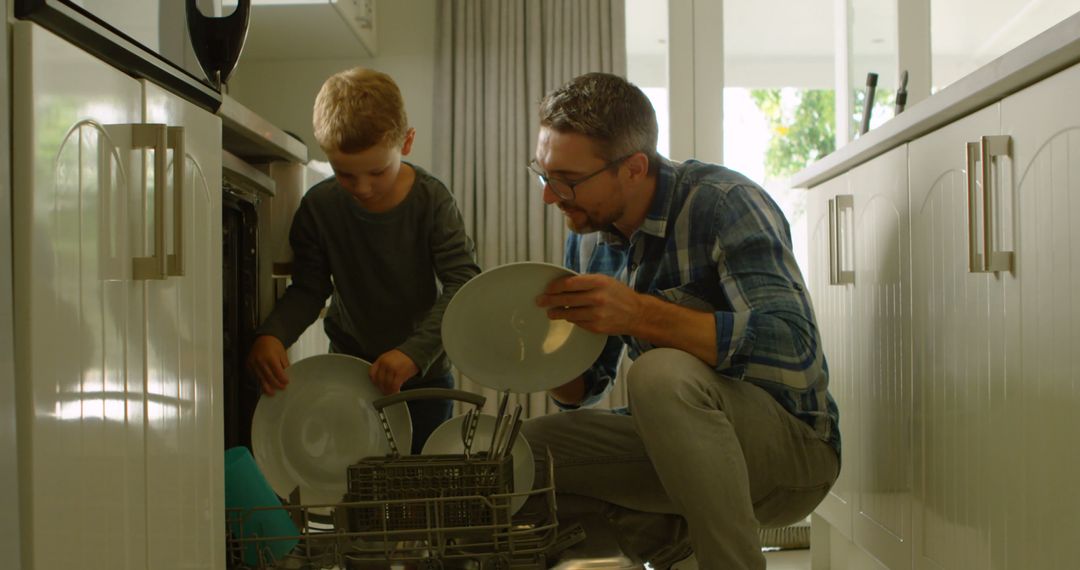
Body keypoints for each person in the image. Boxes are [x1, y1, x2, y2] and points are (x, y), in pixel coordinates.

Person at [522, 72, 840, 569]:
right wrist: (541, 352)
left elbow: (795, 350)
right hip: (679, 448)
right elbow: (586, 388)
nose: (550, 196)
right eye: (543, 174)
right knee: (523, 455)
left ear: (633, 168)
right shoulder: (588, 234)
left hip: (791, 452)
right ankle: (677, 547)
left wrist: (640, 313)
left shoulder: (725, 204)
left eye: (567, 180)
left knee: (660, 373)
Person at [246, 67, 481, 454]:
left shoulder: (432, 200)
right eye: (345, 175)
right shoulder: (319, 207)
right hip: (346, 378)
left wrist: (412, 354)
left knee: (420, 491)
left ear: (406, 143)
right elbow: (309, 289)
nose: (363, 188)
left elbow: (463, 285)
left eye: (377, 171)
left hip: (423, 380)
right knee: (353, 489)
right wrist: (273, 334)